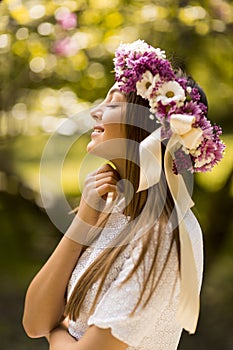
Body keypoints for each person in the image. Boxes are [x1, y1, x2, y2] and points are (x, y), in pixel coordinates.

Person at [22, 40, 225, 350]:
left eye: (112, 104)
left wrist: (59, 331)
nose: (95, 112)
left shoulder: (164, 236)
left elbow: (57, 333)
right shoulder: (112, 205)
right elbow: (35, 322)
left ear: (144, 126)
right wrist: (85, 220)